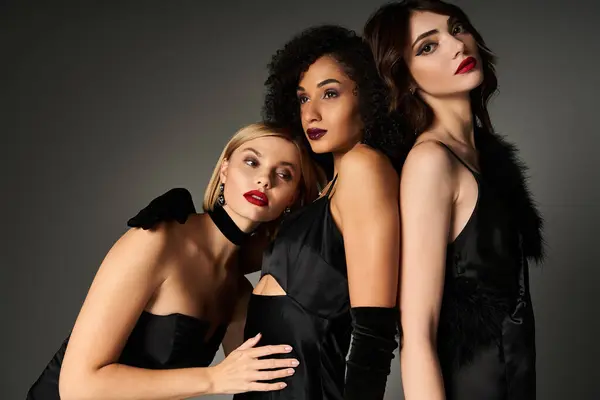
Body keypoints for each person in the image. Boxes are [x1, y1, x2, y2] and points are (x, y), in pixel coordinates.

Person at [26, 122, 325, 400]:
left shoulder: (238, 293)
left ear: (293, 198)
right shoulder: (157, 241)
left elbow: (263, 387)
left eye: (283, 174)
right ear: (224, 170)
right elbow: (78, 387)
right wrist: (214, 378)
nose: (264, 179)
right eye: (251, 162)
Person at [364, 1, 545, 399]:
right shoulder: (431, 162)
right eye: (428, 47)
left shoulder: (485, 157)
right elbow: (418, 334)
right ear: (405, 77)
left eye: (457, 28)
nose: (457, 46)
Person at [231, 25, 406, 400]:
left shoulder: (364, 167)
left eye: (330, 93)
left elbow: (374, 330)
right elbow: (227, 261)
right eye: (302, 98)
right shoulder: (325, 189)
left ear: (368, 98)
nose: (311, 112)